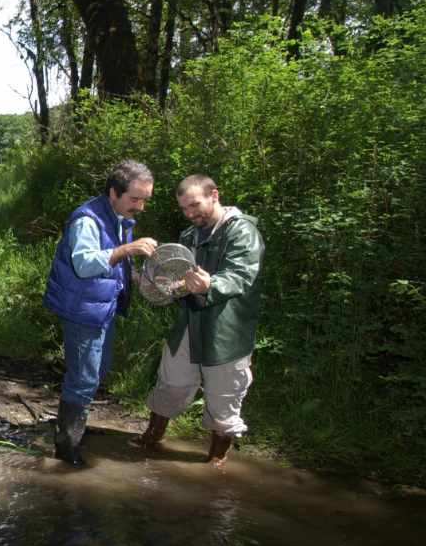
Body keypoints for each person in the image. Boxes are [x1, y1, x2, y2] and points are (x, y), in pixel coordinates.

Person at [132, 174, 264, 469]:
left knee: (224, 395)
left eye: (195, 205)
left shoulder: (242, 232)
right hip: (188, 324)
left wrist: (210, 285)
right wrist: (154, 284)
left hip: (227, 330)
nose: (190, 214)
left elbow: (241, 275)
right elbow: (177, 283)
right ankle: (152, 436)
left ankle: (216, 458)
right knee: (171, 382)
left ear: (214, 195)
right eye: (184, 209)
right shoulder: (188, 236)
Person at [43, 159, 158, 465]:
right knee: (83, 378)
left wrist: (135, 276)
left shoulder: (118, 216)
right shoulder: (87, 220)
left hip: (101, 307)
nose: (140, 207)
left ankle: (74, 425)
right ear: (113, 193)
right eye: (135, 199)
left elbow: (111, 263)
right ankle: (67, 450)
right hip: (82, 310)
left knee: (97, 372)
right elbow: (84, 264)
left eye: (145, 199)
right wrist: (128, 250)